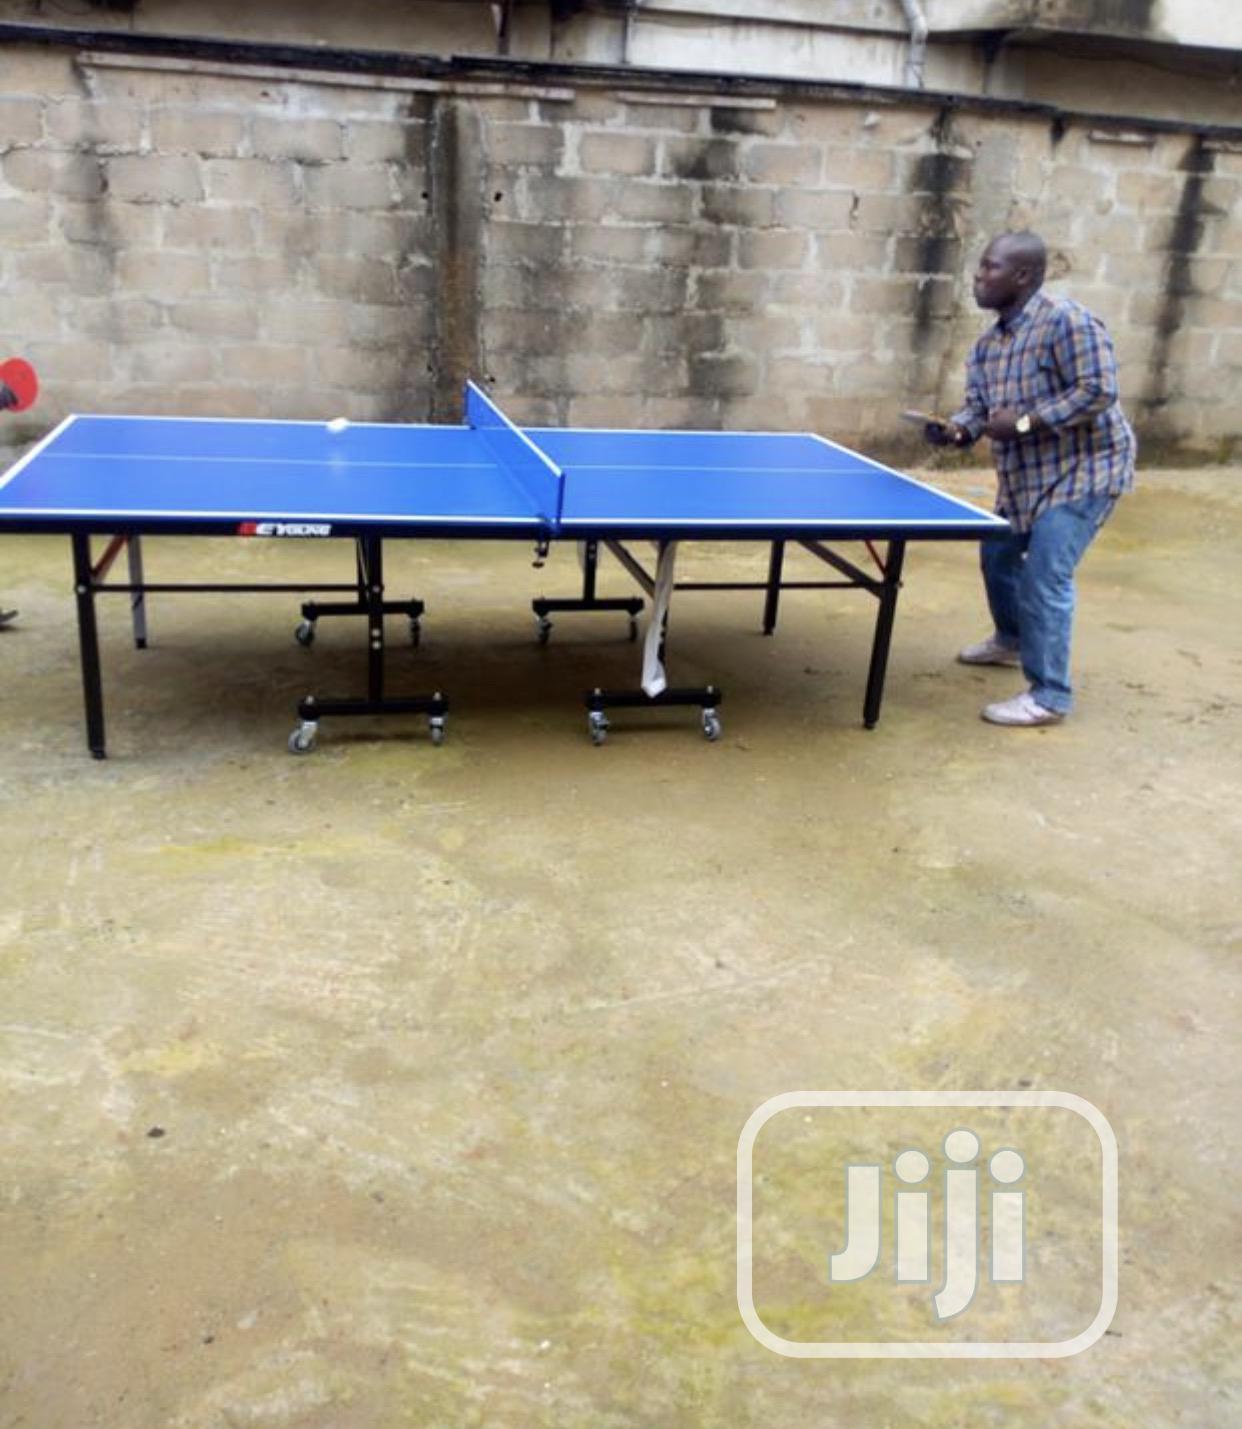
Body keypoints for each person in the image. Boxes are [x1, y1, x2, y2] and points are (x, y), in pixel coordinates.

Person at [923, 230, 1135, 727]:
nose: (978, 276)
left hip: (1087, 470)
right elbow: (979, 408)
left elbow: (1099, 390)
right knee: (997, 553)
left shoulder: (1067, 322)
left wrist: (1025, 422)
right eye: (980, 267)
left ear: (1023, 275)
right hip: (1027, 477)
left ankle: (1049, 697)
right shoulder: (987, 346)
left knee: (1045, 575)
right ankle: (1012, 640)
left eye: (990, 267)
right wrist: (955, 432)